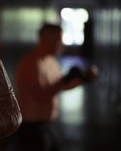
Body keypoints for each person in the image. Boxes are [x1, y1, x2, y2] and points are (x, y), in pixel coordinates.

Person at [12, 23, 97, 151]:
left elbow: (61, 86)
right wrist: (65, 79)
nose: (61, 44)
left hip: (47, 124)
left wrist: (83, 79)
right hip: (31, 127)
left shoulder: (51, 61)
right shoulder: (30, 63)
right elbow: (40, 96)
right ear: (44, 40)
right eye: (57, 40)